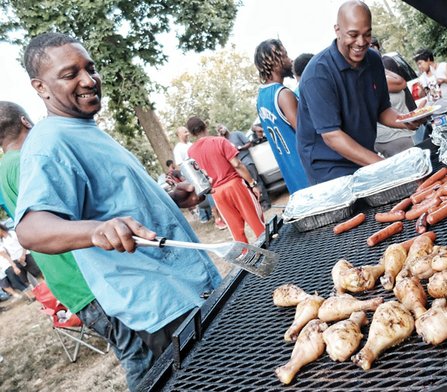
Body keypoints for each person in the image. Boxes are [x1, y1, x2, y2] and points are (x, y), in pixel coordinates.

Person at [15, 32, 222, 385]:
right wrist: (94, 231)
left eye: (90, 68)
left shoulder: (86, 129)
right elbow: (30, 228)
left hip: (188, 286)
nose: (88, 80)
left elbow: (118, 206)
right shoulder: (50, 141)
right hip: (161, 305)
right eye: (70, 74)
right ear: (41, 87)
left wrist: (173, 199)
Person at [0, 99, 153, 390]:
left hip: (66, 283)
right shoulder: (28, 160)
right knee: (140, 356)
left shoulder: (3, 170)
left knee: (135, 352)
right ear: (25, 121)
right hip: (86, 279)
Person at [296, 0, 418, 184]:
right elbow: (332, 136)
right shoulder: (318, 74)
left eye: (367, 34)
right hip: (329, 168)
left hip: (362, 154)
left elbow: (382, 110)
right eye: (353, 35)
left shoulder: (374, 60)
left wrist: (406, 120)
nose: (361, 43)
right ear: (337, 30)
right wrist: (385, 166)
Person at [187, 117, 265, 243]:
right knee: (256, 222)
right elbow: (237, 164)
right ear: (205, 126)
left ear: (191, 133)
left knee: (236, 232)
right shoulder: (219, 141)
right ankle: (273, 250)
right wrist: (252, 183)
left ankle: (245, 258)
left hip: (217, 193)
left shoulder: (191, 151)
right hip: (235, 186)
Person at [254, 39, 310, 194]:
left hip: (292, 176)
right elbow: (307, 135)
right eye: (285, 55)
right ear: (274, 60)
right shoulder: (283, 94)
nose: (289, 60)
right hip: (308, 174)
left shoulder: (261, 98)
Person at [216, 124, 271, 211]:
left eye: (221, 128)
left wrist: (239, 148)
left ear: (225, 127)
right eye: (219, 130)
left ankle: (265, 203)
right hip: (237, 167)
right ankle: (258, 205)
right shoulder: (223, 141)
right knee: (247, 186)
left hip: (246, 160)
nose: (221, 130)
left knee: (256, 181)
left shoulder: (236, 134)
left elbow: (249, 143)